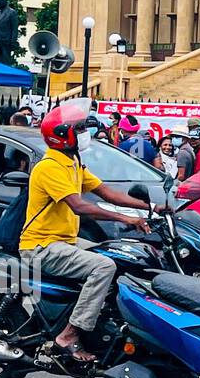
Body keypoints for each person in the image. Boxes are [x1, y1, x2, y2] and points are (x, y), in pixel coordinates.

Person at [20, 98, 152, 363]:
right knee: (104, 267)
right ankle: (69, 334)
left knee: (121, 257)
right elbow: (79, 206)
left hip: (64, 242)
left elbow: (107, 192)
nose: (85, 135)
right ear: (62, 136)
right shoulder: (50, 167)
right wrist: (125, 219)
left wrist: (152, 207)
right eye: (79, 130)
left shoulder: (72, 163)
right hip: (41, 246)